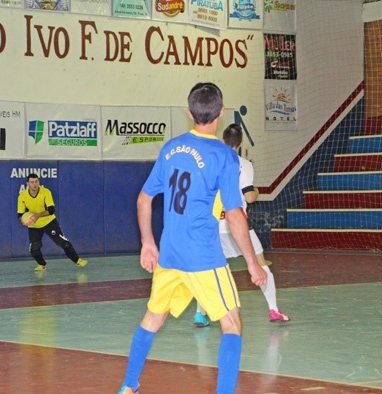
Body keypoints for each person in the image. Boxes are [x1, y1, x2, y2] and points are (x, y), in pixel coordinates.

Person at [117, 83, 267, 394]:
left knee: (152, 319)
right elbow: (236, 215)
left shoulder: (170, 148)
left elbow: (144, 200)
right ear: (221, 113)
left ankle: (129, 386)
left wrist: (147, 242)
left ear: (189, 113)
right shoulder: (224, 157)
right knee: (232, 324)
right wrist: (253, 264)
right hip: (203, 256)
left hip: (170, 254)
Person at [193, 124, 290, 328]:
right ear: (241, 143)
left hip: (212, 226)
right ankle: (273, 309)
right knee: (260, 264)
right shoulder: (244, 164)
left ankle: (200, 314)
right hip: (237, 225)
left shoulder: (209, 162)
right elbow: (249, 197)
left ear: (223, 140)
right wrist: (256, 191)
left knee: (210, 269)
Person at [17, 173, 87, 271]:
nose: (34, 184)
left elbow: (51, 210)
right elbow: (20, 215)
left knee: (64, 243)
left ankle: (77, 260)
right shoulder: (22, 197)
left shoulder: (46, 192)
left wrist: (37, 215)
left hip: (49, 221)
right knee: (34, 250)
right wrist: (23, 221)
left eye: (36, 181)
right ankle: (42, 264)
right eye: (32, 182)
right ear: (27, 184)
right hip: (34, 226)